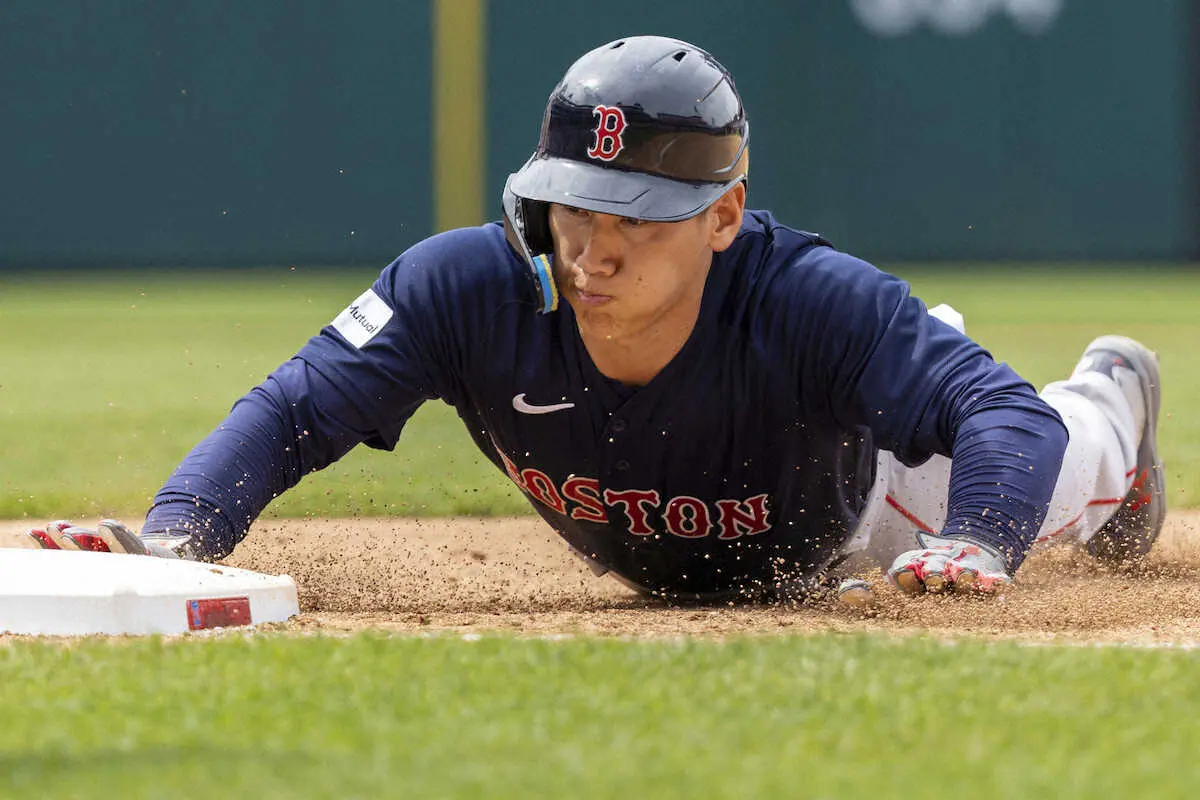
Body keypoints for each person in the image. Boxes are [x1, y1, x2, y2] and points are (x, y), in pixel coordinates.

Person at [29, 36, 1165, 607]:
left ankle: (1117, 396)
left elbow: (995, 410)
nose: (594, 243)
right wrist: (179, 535)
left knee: (1052, 453)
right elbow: (291, 409)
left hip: (868, 501)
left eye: (639, 215)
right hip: (734, 540)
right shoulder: (466, 289)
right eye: (574, 205)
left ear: (724, 214)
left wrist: (973, 540)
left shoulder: (810, 295)